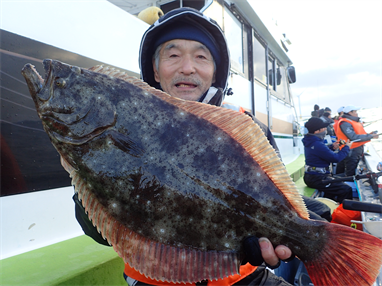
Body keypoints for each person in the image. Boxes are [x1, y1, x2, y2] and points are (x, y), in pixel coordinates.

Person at [74, 7, 295, 286]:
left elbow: (279, 203)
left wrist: (273, 239)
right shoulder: (118, 128)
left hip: (242, 278)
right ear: (155, 69)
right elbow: (98, 232)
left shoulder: (249, 129)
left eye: (201, 56)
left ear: (216, 71)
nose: (187, 67)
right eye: (173, 55)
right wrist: (88, 175)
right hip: (155, 281)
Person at [302, 117, 354, 203]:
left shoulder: (310, 140)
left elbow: (320, 152)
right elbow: (336, 158)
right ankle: (344, 213)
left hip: (312, 176)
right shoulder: (317, 143)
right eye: (324, 128)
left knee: (337, 184)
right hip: (318, 178)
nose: (326, 130)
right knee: (346, 189)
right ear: (317, 131)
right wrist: (347, 147)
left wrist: (332, 147)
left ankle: (332, 208)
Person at [335, 105, 379, 176]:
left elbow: (357, 134)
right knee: (350, 173)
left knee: (349, 170)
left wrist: (369, 134)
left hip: (354, 149)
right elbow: (353, 137)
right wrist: (370, 136)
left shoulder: (351, 121)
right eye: (355, 111)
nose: (357, 113)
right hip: (351, 150)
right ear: (350, 112)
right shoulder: (345, 123)